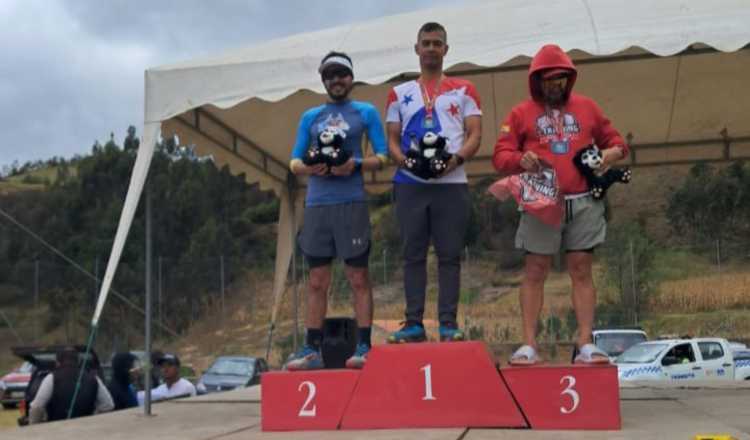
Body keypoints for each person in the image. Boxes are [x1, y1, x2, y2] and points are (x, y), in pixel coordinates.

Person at [492, 44, 629, 364]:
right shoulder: (520, 113)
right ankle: (528, 345)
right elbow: (500, 156)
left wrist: (606, 156)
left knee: (581, 268)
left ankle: (584, 344)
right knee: (535, 269)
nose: (557, 85)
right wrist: (519, 158)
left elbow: (618, 143)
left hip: (583, 201)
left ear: (570, 79)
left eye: (562, 79)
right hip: (540, 199)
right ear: (536, 80)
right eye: (550, 79)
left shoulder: (588, 108)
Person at [285, 51, 388, 370]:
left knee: (358, 276)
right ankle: (311, 349)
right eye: (330, 75)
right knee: (316, 279)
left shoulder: (366, 111)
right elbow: (294, 160)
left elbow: (383, 156)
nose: (336, 80)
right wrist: (308, 168)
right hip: (317, 205)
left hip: (351, 203)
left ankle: (364, 346)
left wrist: (354, 164)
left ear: (351, 77)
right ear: (323, 81)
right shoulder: (310, 116)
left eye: (341, 74)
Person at [385, 22, 482, 342]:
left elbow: (475, 134)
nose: (430, 48)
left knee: (449, 254)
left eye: (436, 43)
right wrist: (405, 161)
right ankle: (413, 323)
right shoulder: (399, 93)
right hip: (410, 182)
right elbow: (392, 140)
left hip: (451, 182)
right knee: (412, 253)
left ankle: (448, 324)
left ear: (445, 50)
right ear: (416, 49)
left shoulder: (464, 89)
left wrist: (454, 160)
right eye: (425, 43)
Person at [29, 347, 114, 423]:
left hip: (57, 432)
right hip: (86, 432)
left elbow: (37, 407)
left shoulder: (51, 378)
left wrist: (36, 426)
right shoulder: (94, 379)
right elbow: (108, 405)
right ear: (78, 361)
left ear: (57, 362)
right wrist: (93, 419)